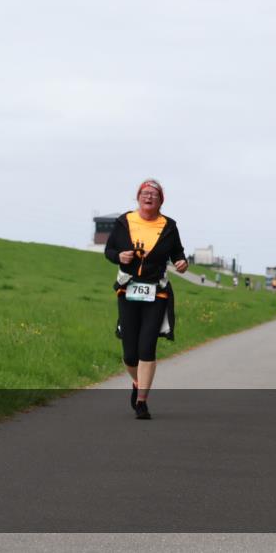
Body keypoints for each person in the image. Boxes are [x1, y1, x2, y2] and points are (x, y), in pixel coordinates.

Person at [104, 179, 188, 420]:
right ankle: (137, 382)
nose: (149, 197)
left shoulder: (169, 226)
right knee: (130, 352)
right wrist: (119, 255)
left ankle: (142, 401)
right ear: (138, 197)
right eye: (145, 193)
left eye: (154, 194)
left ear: (161, 200)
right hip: (128, 290)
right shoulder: (124, 221)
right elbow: (109, 251)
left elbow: (178, 254)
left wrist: (182, 263)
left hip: (157, 292)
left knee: (147, 346)